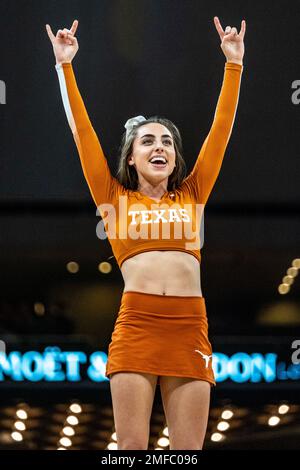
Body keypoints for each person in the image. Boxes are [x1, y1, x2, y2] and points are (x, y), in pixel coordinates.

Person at [46, 16, 245, 450]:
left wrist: (234, 66)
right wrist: (65, 66)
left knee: (186, 455)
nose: (160, 146)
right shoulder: (113, 197)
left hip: (191, 327)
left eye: (168, 142)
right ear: (131, 158)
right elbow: (81, 132)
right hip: (136, 325)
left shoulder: (192, 194)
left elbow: (221, 131)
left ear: (175, 158)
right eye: (148, 141)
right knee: (131, 452)